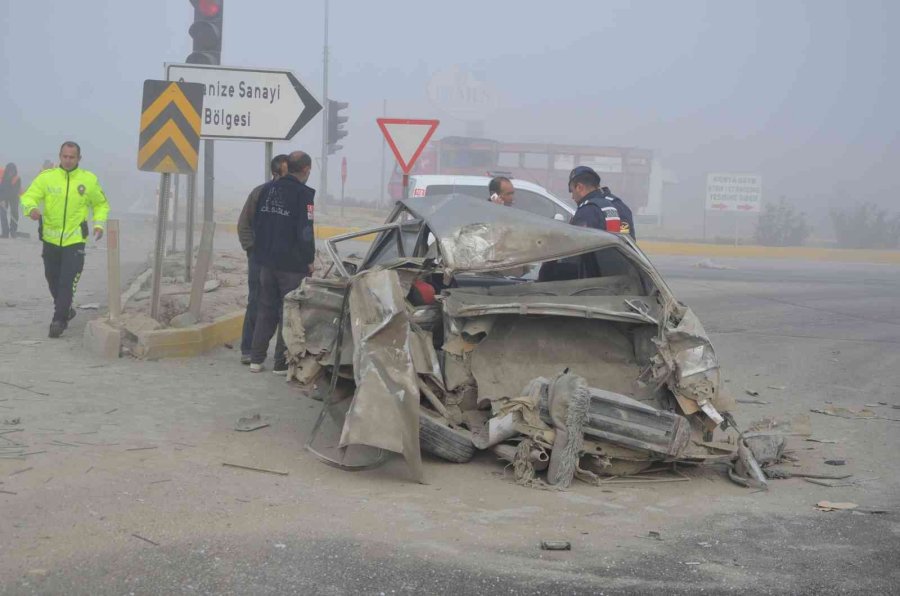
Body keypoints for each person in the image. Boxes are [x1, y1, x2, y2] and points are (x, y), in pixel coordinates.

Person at [19, 142, 110, 338]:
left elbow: (101, 205)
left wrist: (99, 224)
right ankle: (66, 309)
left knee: (66, 282)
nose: (68, 160)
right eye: (65, 156)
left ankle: (58, 320)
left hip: (75, 241)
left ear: (79, 159)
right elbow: (28, 197)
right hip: (50, 241)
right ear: (60, 156)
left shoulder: (89, 180)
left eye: (72, 157)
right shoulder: (46, 178)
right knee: (52, 280)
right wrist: (31, 209)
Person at [248, 151, 316, 373]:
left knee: (265, 309)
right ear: (305, 169)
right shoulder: (303, 194)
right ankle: (280, 363)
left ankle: (256, 360)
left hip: (266, 262)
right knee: (288, 313)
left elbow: (257, 224)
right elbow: (305, 230)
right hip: (291, 266)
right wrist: (309, 259)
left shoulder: (267, 190)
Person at [236, 154, 289, 365]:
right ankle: (248, 349)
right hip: (259, 258)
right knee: (256, 301)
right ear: (275, 173)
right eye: (286, 172)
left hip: (284, 262)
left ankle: (280, 356)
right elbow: (244, 224)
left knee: (281, 306)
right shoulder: (260, 193)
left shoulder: (294, 195)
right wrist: (252, 250)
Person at [0, 163, 22, 239]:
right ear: (7, 171)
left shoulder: (17, 179)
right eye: (9, 171)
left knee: (14, 213)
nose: (11, 173)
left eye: (12, 171)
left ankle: (13, 231)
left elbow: (14, 192)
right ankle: (5, 233)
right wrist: (2, 200)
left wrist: (4, 198)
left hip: (14, 198)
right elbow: (1, 190)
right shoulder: (3, 178)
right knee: (3, 214)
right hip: (4, 197)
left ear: (14, 171)